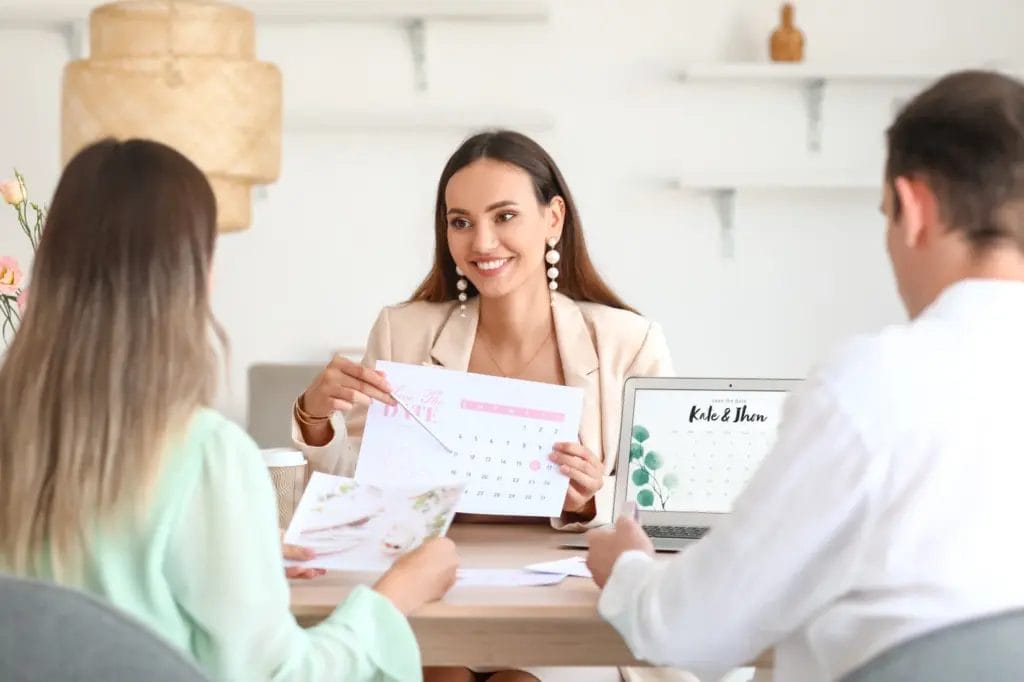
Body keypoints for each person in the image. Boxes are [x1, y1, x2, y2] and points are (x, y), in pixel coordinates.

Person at [586, 70, 1024, 682]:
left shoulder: (878, 385)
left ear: (915, 207)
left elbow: (691, 631)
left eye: (886, 217)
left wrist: (629, 566)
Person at [0, 138, 459, 681]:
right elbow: (279, 676)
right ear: (190, 273)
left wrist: (245, 549)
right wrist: (396, 595)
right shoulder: (205, 454)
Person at [292, 130, 674, 681]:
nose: (482, 243)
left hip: (565, 595)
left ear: (554, 218)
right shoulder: (404, 332)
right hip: (435, 580)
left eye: (504, 216)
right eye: (461, 221)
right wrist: (314, 417)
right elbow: (362, 482)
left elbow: (660, 506)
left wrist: (591, 498)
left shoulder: (627, 341)